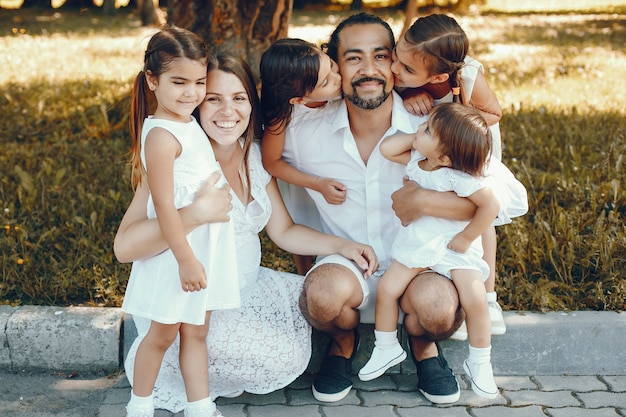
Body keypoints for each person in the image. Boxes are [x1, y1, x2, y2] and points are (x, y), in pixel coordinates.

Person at [281, 12, 527, 404]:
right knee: (321, 296)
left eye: (381, 56)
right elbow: (256, 159)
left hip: (420, 264)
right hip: (347, 262)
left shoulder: (437, 127)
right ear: (332, 66)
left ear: (397, 65)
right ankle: (342, 343)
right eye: (353, 58)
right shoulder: (301, 130)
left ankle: (423, 344)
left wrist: (426, 199)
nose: (369, 70)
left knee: (438, 309)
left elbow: (499, 199)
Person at [114, 51, 379, 414]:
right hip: (191, 294)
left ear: (251, 104)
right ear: (195, 104)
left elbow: (283, 230)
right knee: (275, 354)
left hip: (246, 287)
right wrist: (194, 214)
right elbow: (125, 247)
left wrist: (343, 245)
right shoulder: (180, 160)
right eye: (214, 99)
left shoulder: (252, 155)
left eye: (238, 99)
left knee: (311, 313)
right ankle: (171, 392)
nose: (228, 112)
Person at [359, 103, 521, 400]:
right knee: (387, 288)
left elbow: (491, 207)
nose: (419, 128)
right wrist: (419, 136)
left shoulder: (455, 177)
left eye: (427, 129)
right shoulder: (415, 161)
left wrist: (467, 236)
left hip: (453, 247)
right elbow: (387, 149)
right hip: (418, 244)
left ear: (445, 156)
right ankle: (386, 347)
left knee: (474, 300)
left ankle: (480, 361)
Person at [121, 26, 239, 417]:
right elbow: (165, 208)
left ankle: (199, 406)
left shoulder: (188, 123)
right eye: (179, 82)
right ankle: (139, 405)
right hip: (177, 253)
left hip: (202, 248)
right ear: (152, 81)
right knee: (162, 333)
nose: (191, 93)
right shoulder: (160, 135)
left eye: (199, 82)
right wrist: (186, 258)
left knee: (197, 331)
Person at [391, 13, 507, 337]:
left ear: (440, 74)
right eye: (397, 59)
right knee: (442, 208)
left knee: (478, 212)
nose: (395, 70)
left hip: (467, 146)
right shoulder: (406, 65)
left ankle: (487, 296)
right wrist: (407, 92)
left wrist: (455, 113)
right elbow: (400, 86)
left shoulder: (468, 75)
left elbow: (494, 113)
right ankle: (449, 279)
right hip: (432, 147)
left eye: (407, 70)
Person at [260, 38, 345, 275]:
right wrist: (315, 184)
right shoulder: (283, 118)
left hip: (329, 163)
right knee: (303, 219)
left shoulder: (337, 86)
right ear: (299, 99)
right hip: (300, 176)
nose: (337, 79)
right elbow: (271, 162)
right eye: (326, 82)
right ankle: (304, 271)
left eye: (331, 66)